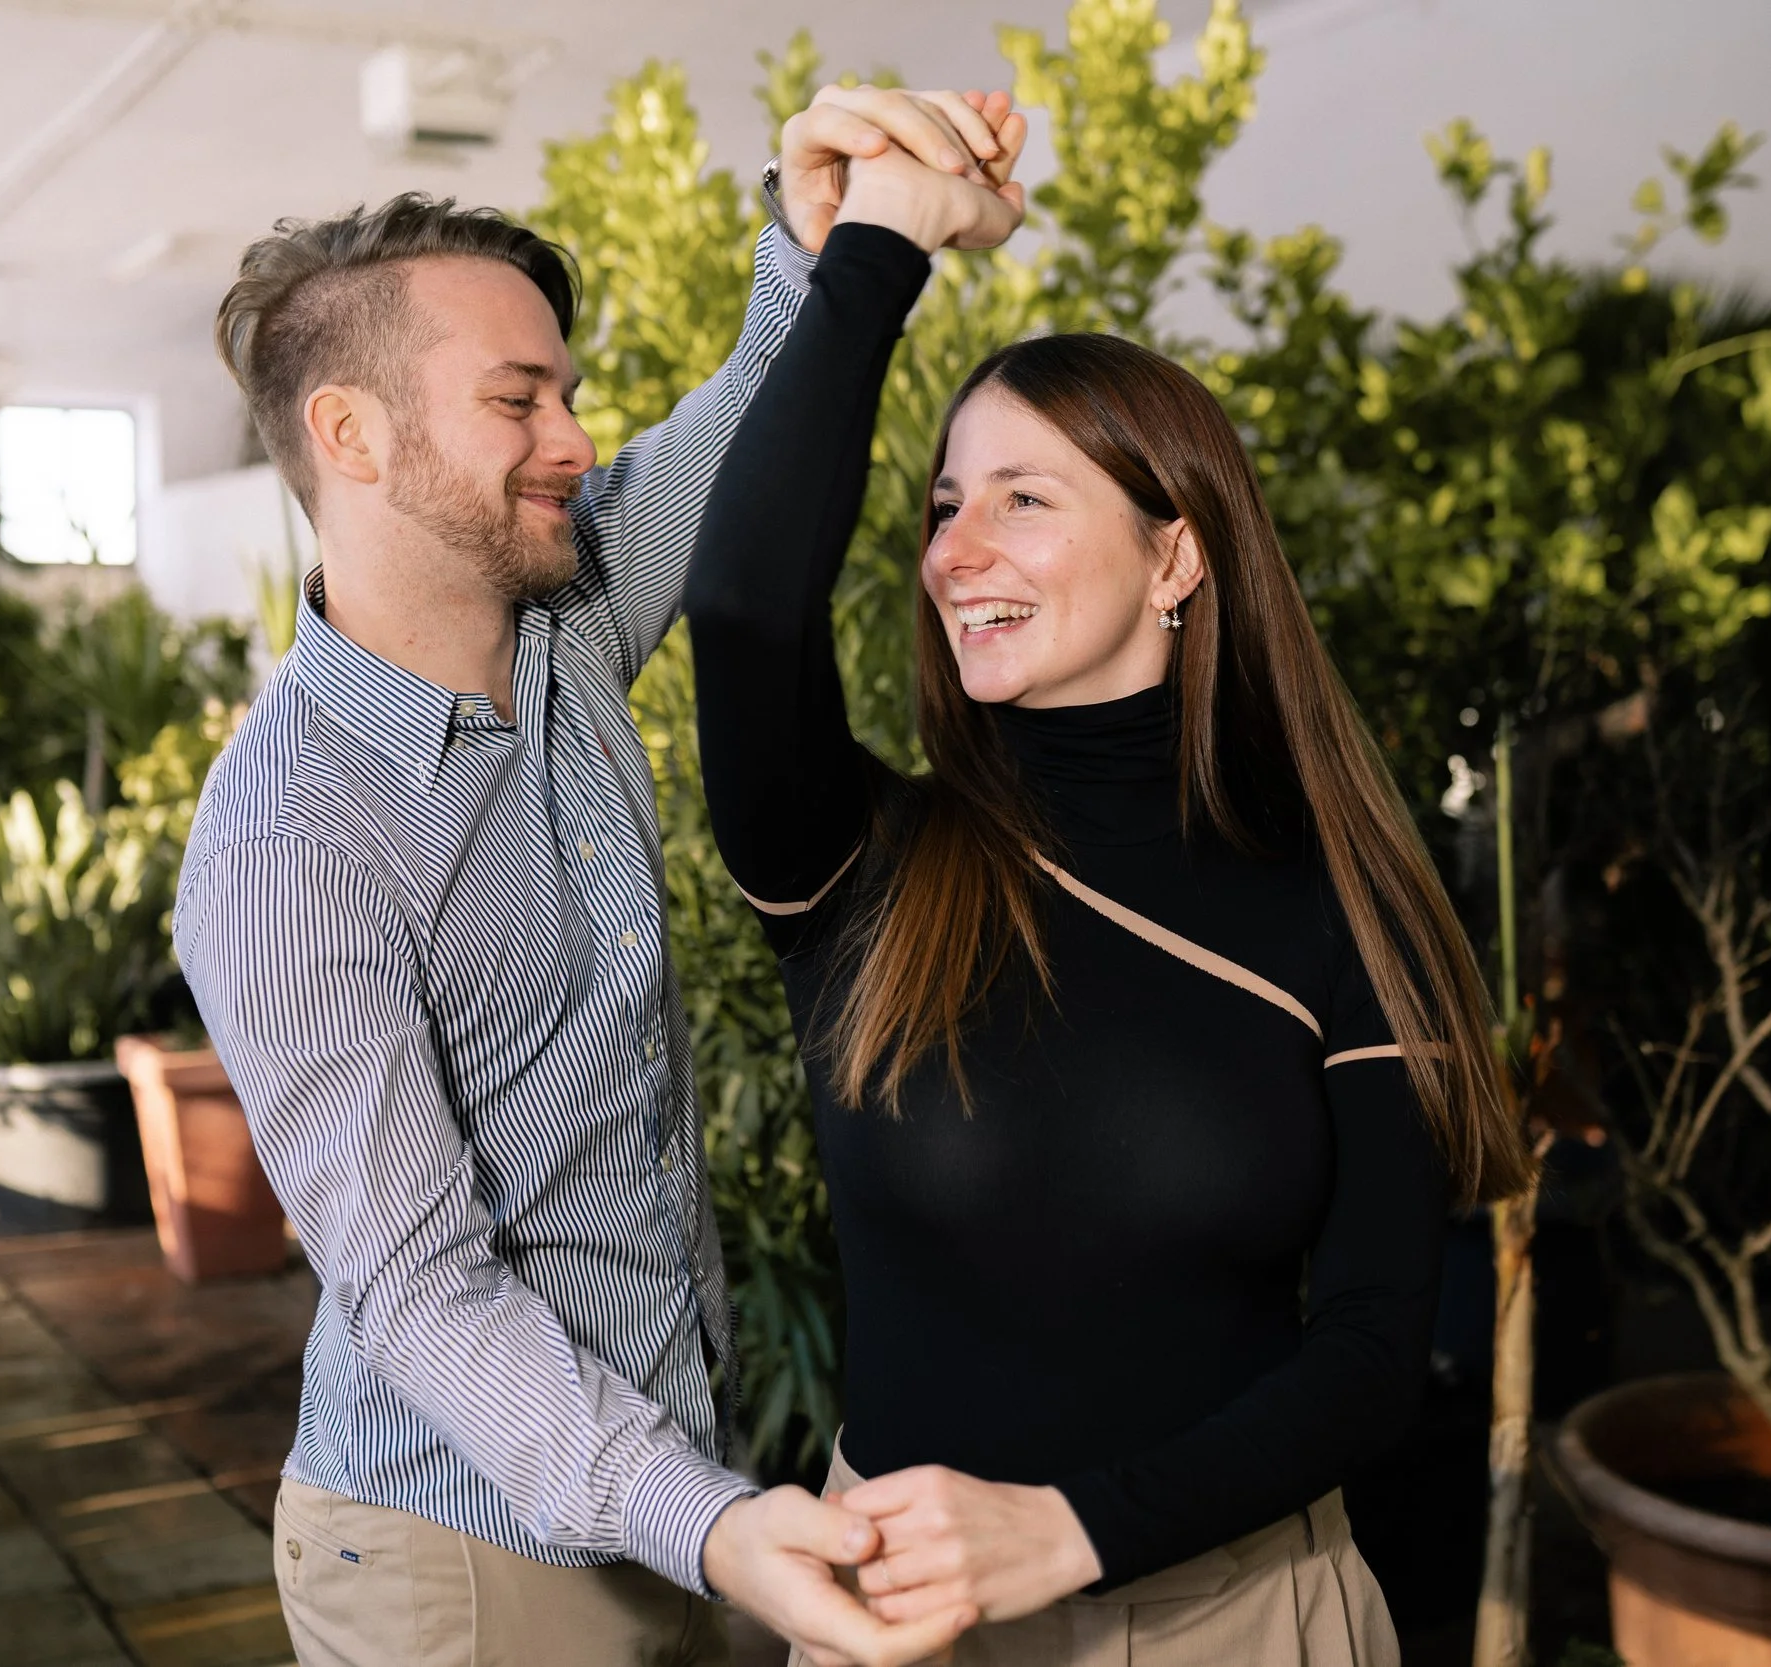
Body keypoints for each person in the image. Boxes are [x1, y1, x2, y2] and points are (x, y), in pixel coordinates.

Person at [178, 87, 1029, 1667]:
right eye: (520, 401)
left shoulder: (560, 628)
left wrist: (822, 228)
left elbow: (740, 431)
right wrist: (705, 1514)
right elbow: (421, 1288)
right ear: (350, 436)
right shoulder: (287, 841)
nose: (574, 442)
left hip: (655, 1484)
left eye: (565, 394)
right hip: (460, 1550)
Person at [682, 143, 1538, 1666]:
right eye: (947, 503)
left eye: (1026, 496)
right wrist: (878, 240)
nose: (960, 549)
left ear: (1178, 556)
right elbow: (747, 598)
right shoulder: (864, 866)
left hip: (1238, 1612)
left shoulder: (1344, 903)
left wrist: (1072, 1528)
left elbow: (1368, 1352)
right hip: (906, 1619)